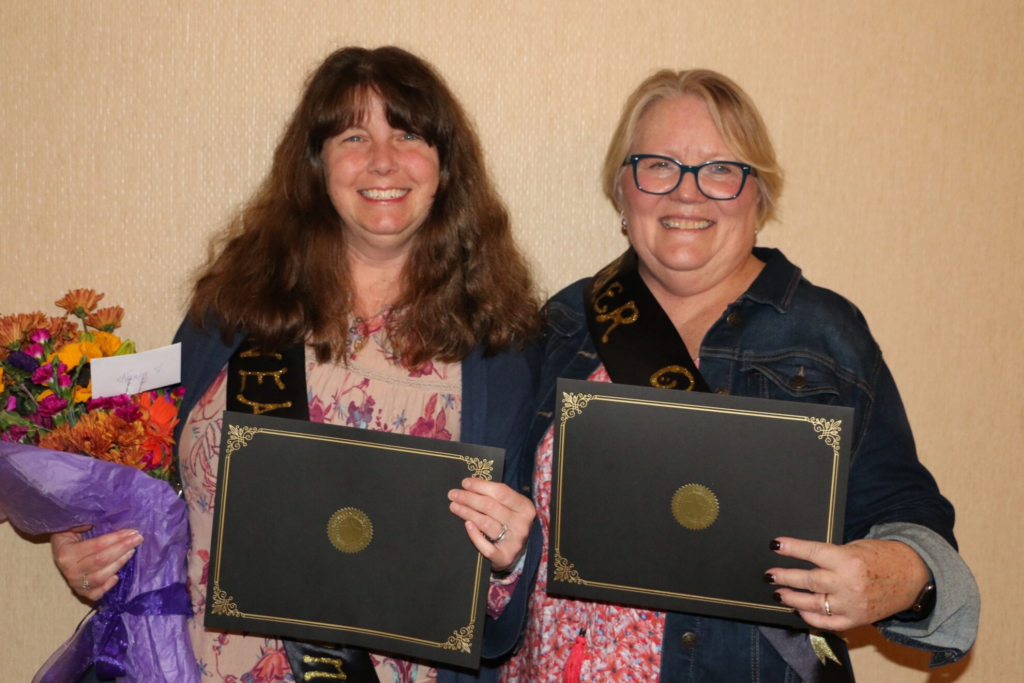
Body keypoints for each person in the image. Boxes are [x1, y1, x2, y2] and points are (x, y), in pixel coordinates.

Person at [48, 46, 544, 683]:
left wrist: (509, 560)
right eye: (353, 135)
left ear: (445, 165)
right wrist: (88, 541)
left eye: (409, 134)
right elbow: (153, 484)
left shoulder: (503, 351)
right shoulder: (229, 312)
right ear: (317, 164)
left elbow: (498, 621)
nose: (383, 160)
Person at [501, 69, 979, 682]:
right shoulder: (565, 323)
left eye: (721, 169)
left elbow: (908, 513)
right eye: (658, 165)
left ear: (759, 193)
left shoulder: (823, 332)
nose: (687, 193)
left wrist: (895, 576)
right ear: (622, 188)